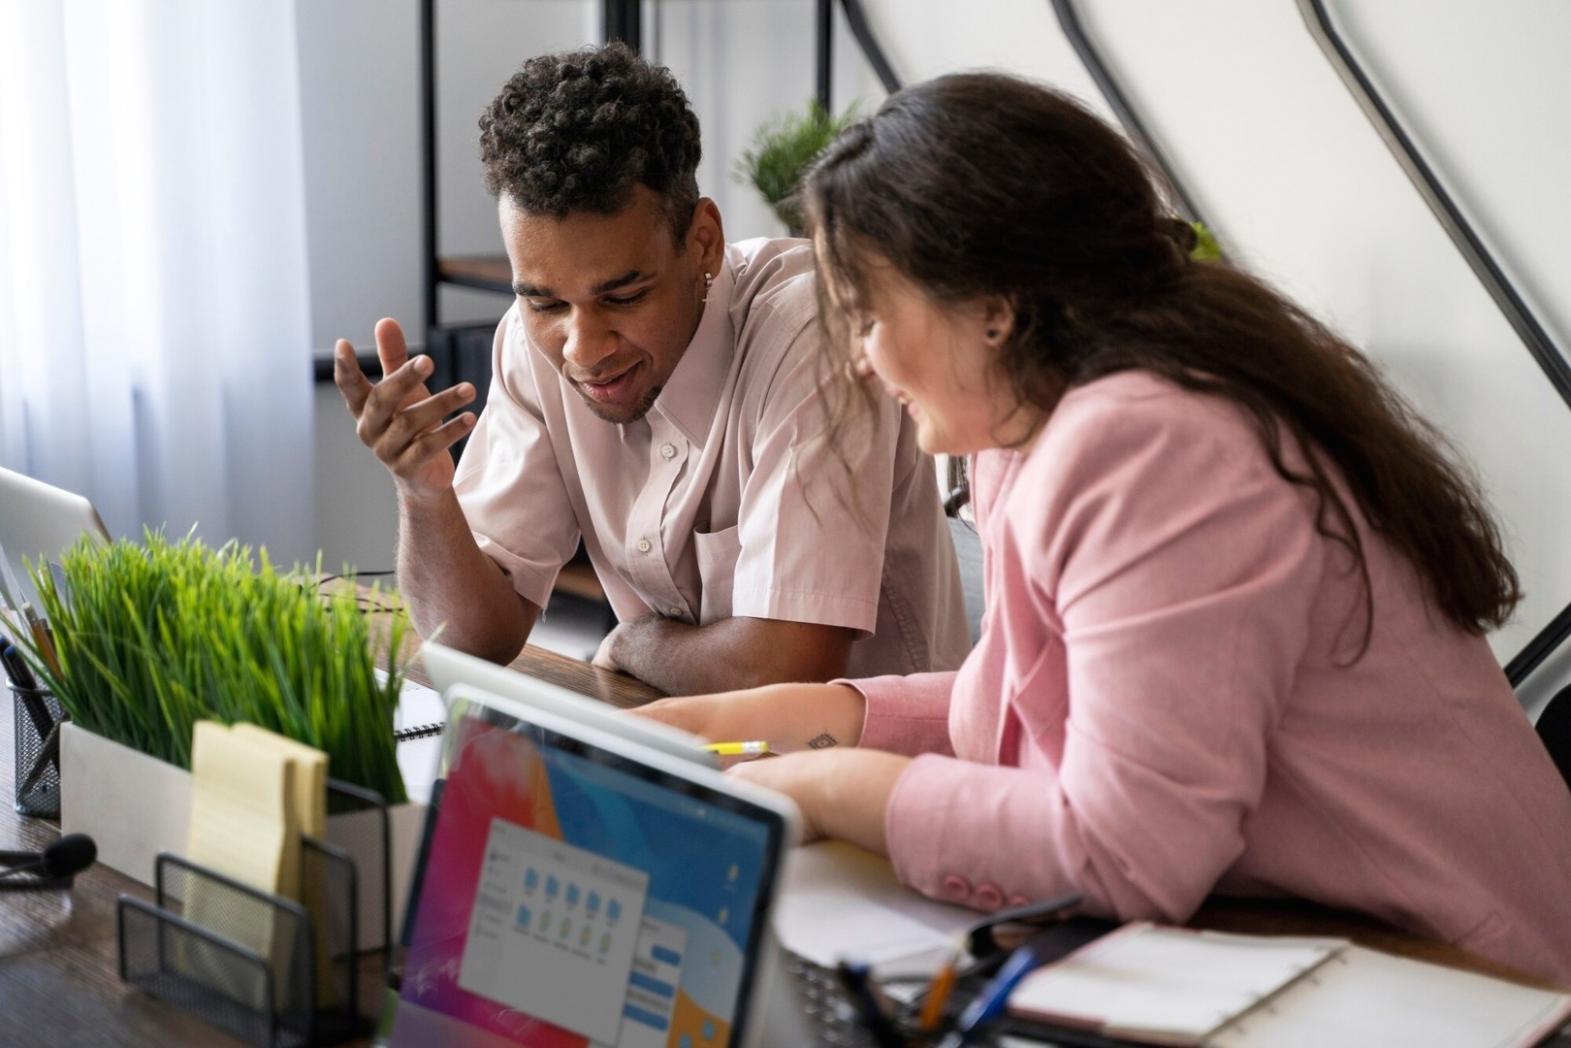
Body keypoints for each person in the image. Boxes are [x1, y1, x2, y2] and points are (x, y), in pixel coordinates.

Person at [635, 72, 1571, 983]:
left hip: (1466, 977)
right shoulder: (1025, 426)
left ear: (994, 307)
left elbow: (1127, 852)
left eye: (868, 317)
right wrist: (788, 721)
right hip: (1327, 949)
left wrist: (824, 787)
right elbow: (1036, 701)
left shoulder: (1151, 443)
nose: (860, 358)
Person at [333, 44, 969, 695]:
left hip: (869, 776)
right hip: (687, 752)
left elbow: (783, 669)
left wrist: (638, 641)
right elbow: (470, 640)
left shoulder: (811, 328)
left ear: (703, 243)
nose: (583, 348)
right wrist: (424, 494)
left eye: (622, 296)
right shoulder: (530, 348)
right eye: (544, 301)